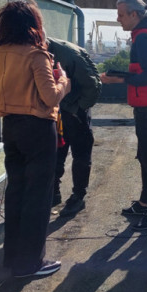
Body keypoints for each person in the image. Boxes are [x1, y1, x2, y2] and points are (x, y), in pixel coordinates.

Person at [0, 0, 71, 277]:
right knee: (38, 195)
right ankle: (30, 263)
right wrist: (63, 81)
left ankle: (13, 257)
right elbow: (50, 97)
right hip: (37, 128)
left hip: (10, 127)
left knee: (16, 190)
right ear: (33, 24)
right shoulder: (36, 55)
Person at [100, 0, 147, 231]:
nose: (118, 19)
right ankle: (143, 203)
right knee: (145, 156)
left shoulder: (143, 38)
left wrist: (119, 79)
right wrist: (122, 76)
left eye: (121, 14)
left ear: (134, 14)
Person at [46, 36, 101, 217]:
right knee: (54, 153)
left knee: (81, 155)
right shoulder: (37, 52)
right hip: (55, 110)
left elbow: (93, 85)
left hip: (74, 111)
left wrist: (79, 109)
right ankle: (53, 194)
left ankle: (78, 196)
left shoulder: (69, 54)